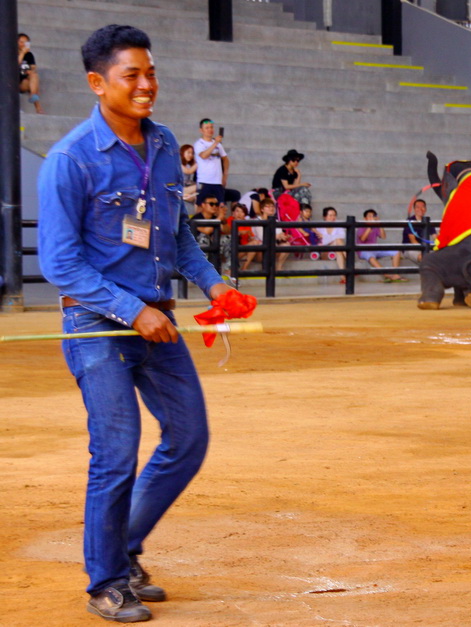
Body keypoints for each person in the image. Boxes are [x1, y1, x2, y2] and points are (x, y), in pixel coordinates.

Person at [36, 24, 255, 622]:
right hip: (98, 328)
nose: (146, 85)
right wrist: (131, 310)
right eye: (131, 74)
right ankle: (105, 580)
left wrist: (213, 283)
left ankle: (122, 547)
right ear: (96, 82)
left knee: (188, 437)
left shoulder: (162, 144)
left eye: (150, 72)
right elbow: (61, 263)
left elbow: (175, 233)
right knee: (116, 450)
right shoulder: (69, 160)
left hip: (158, 323)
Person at [358, 208, 405, 282]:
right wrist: (370, 227)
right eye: (369, 216)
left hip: (375, 249)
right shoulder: (361, 226)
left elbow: (383, 236)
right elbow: (363, 239)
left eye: (373, 216)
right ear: (365, 218)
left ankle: (395, 274)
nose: (371, 218)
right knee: (371, 257)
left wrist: (380, 224)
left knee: (396, 252)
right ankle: (387, 275)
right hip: (363, 251)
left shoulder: (376, 226)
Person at [190, 192, 231, 269]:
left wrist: (223, 219)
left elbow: (227, 231)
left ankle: (230, 269)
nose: (214, 206)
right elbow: (207, 231)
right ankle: (203, 269)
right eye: (211, 204)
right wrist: (219, 218)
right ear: (203, 205)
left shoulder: (216, 217)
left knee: (230, 238)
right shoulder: (196, 218)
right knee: (204, 237)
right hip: (197, 248)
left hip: (214, 246)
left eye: (216, 204)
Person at [193, 118, 228, 204]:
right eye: (207, 128)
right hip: (204, 181)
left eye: (211, 127)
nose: (210, 130)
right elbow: (204, 155)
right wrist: (215, 143)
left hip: (217, 181)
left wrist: (224, 176)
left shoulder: (218, 145)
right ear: (201, 130)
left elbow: (225, 159)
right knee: (201, 205)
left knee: (220, 205)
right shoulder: (198, 144)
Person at [316, 206, 347, 279]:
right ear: (325, 217)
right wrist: (332, 239)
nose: (333, 217)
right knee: (338, 241)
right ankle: (352, 265)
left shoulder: (338, 224)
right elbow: (322, 242)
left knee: (339, 249)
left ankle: (343, 277)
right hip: (325, 252)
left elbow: (343, 236)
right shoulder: (319, 227)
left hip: (337, 249)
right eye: (330, 215)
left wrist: (326, 237)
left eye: (334, 215)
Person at [402, 198, 436, 264]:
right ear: (414, 209)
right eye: (417, 207)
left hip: (424, 248)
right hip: (410, 248)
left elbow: (435, 237)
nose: (420, 209)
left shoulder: (427, 221)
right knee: (424, 257)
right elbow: (413, 240)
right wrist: (425, 251)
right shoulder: (409, 221)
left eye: (423, 207)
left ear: (425, 209)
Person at [18, 33, 44, 114]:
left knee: (34, 75)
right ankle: (38, 108)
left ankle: (33, 94)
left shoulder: (29, 55)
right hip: (13, 83)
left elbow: (33, 67)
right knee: (34, 84)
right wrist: (22, 53)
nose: (23, 44)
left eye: (25, 42)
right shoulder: (11, 53)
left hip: (24, 82)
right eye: (21, 42)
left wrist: (29, 71)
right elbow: (14, 65)